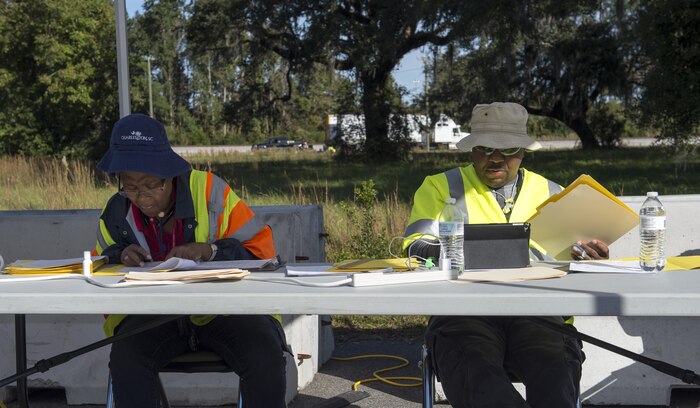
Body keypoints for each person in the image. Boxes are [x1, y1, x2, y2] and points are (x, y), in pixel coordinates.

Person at [403, 102, 609, 408]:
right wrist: (475, 252)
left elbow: (571, 256)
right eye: (485, 149)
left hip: (539, 312)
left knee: (555, 369)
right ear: (471, 150)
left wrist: (589, 254)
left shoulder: (554, 192)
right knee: (476, 372)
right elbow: (415, 249)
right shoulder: (439, 187)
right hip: (462, 312)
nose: (496, 158)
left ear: (523, 151)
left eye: (508, 149)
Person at [93, 113, 289, 407]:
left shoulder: (211, 192)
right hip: (153, 315)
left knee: (265, 355)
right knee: (126, 358)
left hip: (227, 311)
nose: (142, 196)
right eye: (130, 186)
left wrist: (210, 251)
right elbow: (98, 265)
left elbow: (262, 255)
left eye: (150, 184)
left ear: (169, 173)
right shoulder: (116, 210)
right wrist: (118, 256)